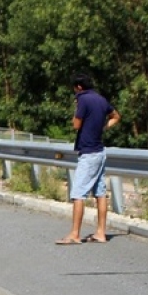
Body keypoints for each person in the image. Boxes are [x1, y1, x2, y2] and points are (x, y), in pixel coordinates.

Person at [57, 73, 121, 245]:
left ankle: (75, 234)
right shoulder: (100, 99)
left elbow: (76, 125)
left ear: (78, 87)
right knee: (100, 192)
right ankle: (101, 232)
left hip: (89, 152)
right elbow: (116, 116)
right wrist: (102, 127)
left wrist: (76, 109)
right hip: (100, 151)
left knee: (78, 193)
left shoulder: (83, 99)